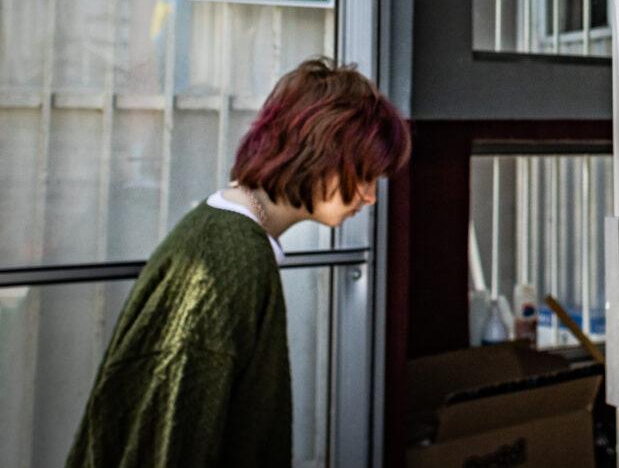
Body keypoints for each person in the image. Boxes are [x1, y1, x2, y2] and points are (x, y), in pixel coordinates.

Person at [66, 58, 409, 468]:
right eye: (364, 175)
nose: (370, 196)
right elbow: (172, 438)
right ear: (319, 156)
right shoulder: (230, 260)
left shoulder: (228, 233)